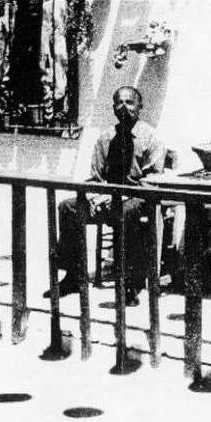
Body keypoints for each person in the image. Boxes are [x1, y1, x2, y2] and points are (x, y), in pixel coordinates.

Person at [47, 86, 166, 306]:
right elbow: (96, 177)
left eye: (130, 102)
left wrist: (120, 196)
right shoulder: (106, 138)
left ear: (140, 107)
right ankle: (73, 276)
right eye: (119, 103)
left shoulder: (151, 137)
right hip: (107, 197)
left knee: (126, 211)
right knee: (68, 207)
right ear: (113, 108)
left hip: (138, 196)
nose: (124, 107)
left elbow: (153, 180)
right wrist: (94, 197)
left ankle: (129, 284)